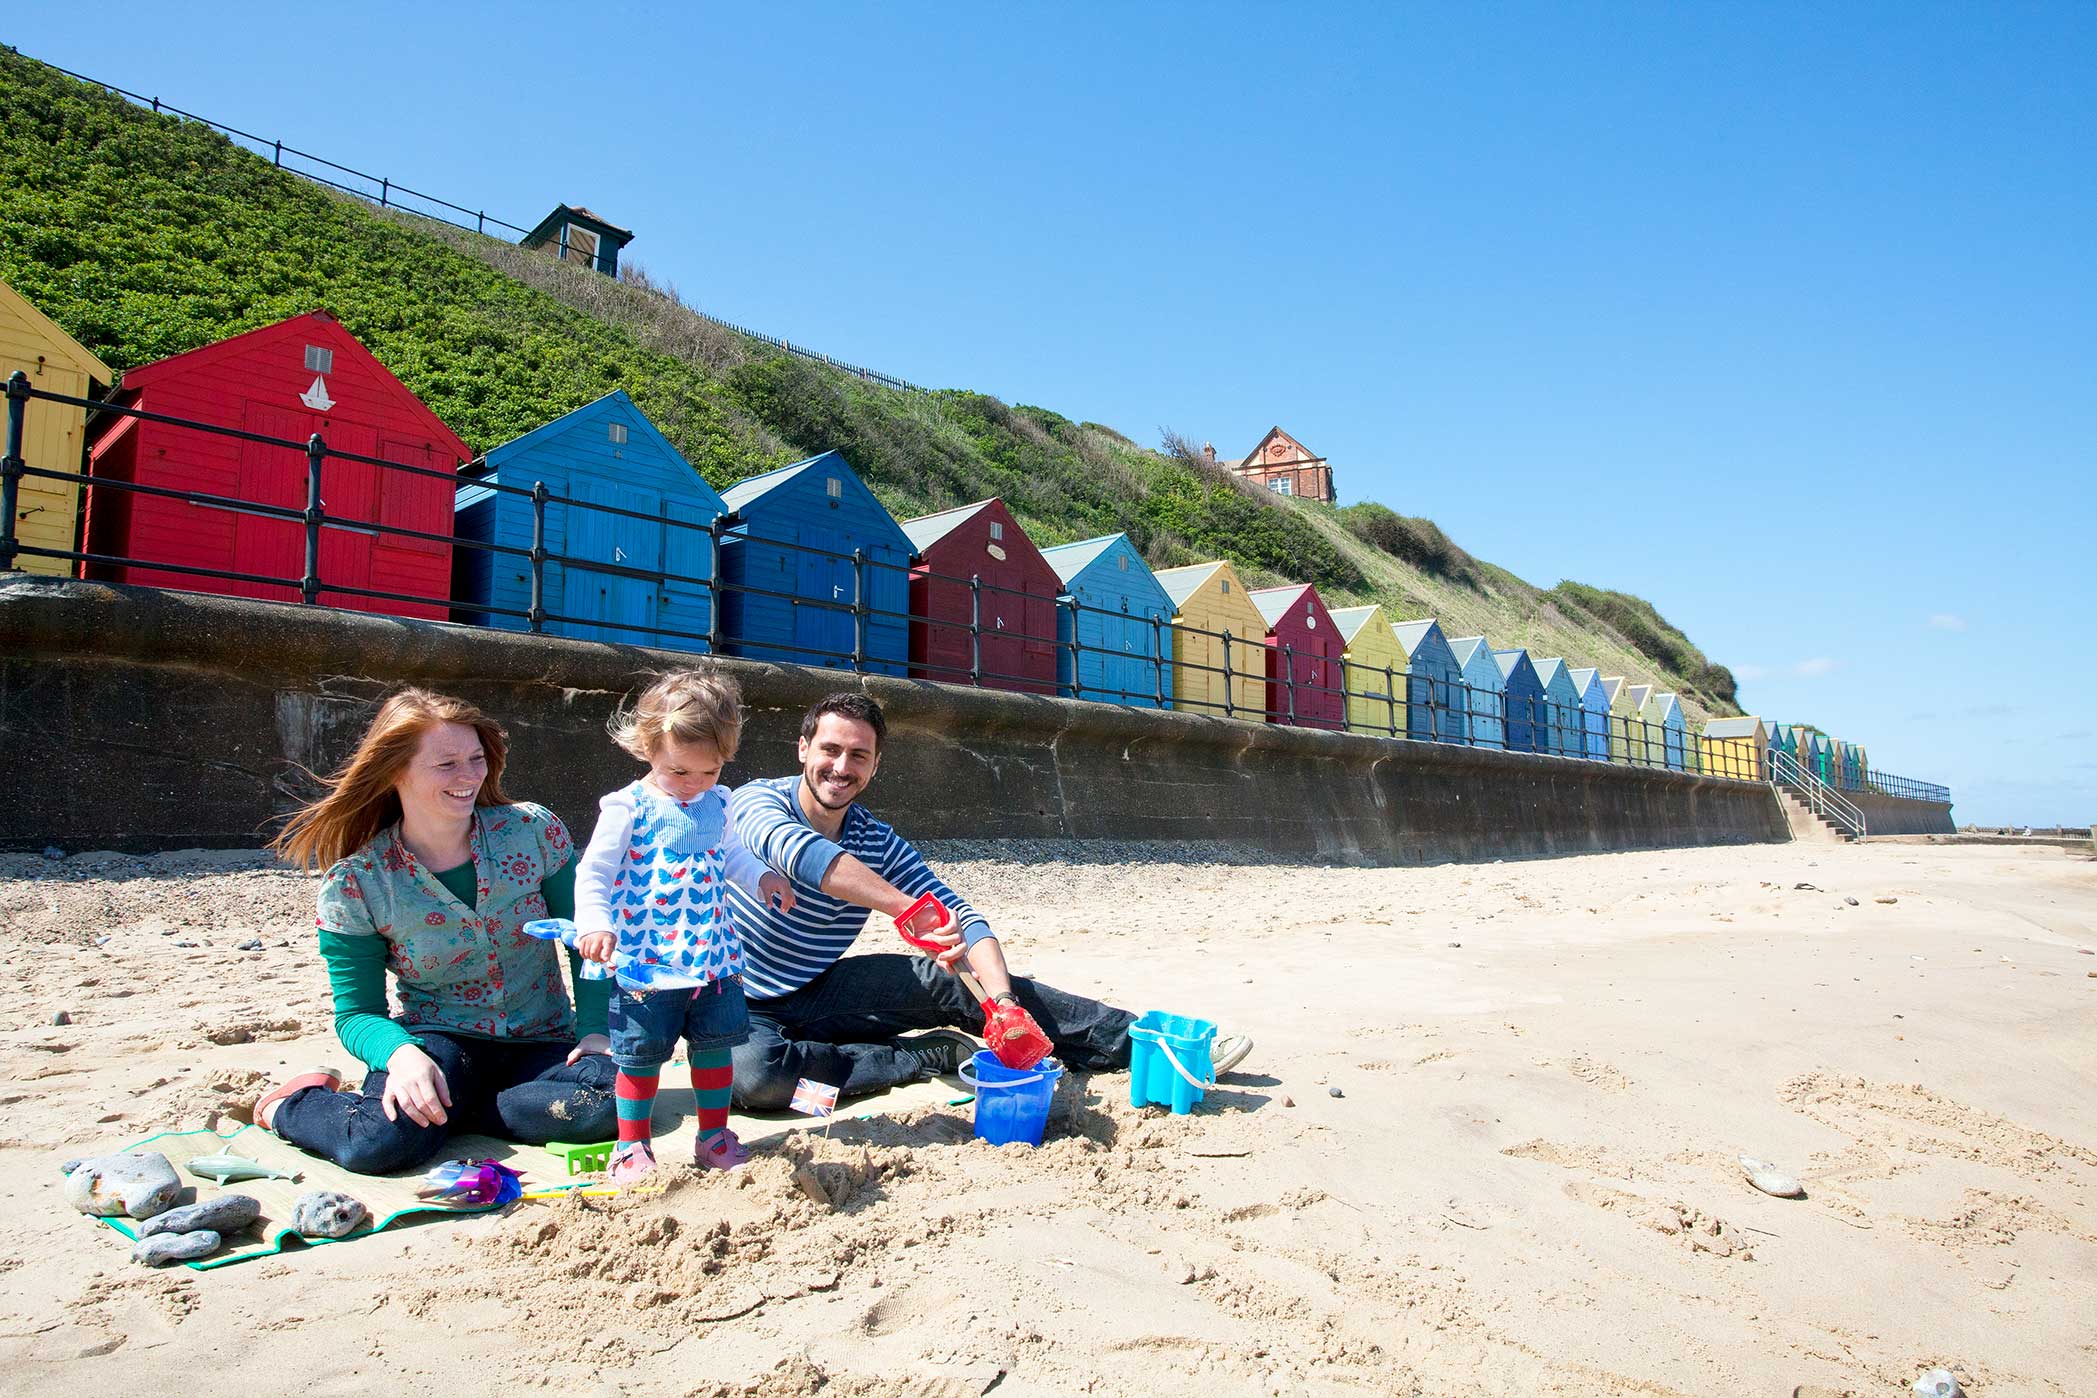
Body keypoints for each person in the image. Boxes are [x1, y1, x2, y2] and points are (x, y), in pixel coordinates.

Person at [725, 692, 1252, 1109]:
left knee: (960, 981)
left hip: (820, 989)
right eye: (830, 750)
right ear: (803, 749)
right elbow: (802, 855)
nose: (842, 767)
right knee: (757, 1082)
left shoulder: (879, 843)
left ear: (876, 764)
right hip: (731, 1001)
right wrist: (904, 909)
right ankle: (913, 1059)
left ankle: (1144, 1045)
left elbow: (963, 917)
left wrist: (1001, 1002)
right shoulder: (756, 801)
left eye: (858, 755)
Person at [254, 688, 618, 1174]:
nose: (469, 776)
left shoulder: (533, 831)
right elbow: (357, 1014)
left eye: (476, 758)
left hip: (544, 1039)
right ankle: (291, 1104)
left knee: (605, 1102)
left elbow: (587, 942)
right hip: (439, 1043)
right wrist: (400, 1055)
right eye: (446, 764)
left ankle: (454, 1112)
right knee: (376, 1146)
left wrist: (594, 1031)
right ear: (394, 771)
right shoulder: (357, 883)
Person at [569, 668, 795, 1181]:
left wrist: (762, 877)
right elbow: (594, 871)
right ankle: (632, 1145)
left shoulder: (720, 801)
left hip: (713, 958)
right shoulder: (628, 806)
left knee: (716, 1049)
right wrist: (595, 923)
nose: (694, 784)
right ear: (647, 748)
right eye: (679, 771)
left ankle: (713, 1136)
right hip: (647, 962)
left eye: (708, 771)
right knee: (640, 1055)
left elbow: (731, 853)